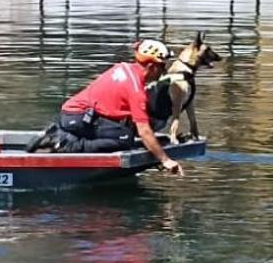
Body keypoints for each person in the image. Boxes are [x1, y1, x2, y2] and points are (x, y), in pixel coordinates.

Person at [39, 39, 183, 175]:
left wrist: (154, 145)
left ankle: (65, 137)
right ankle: (66, 145)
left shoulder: (123, 67)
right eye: (162, 66)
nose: (164, 71)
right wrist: (165, 160)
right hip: (79, 118)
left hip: (72, 115)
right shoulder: (135, 89)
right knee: (124, 138)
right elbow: (144, 131)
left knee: (125, 131)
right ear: (151, 67)